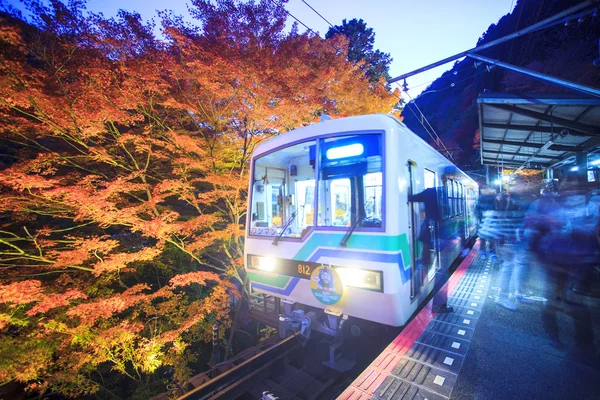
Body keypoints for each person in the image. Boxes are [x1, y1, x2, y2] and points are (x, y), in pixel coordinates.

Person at [477, 185, 497, 260]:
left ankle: (490, 252)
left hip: (491, 220)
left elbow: (497, 208)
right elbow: (477, 210)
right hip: (484, 220)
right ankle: (485, 252)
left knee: (490, 237)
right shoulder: (481, 198)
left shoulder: (493, 198)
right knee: (484, 238)